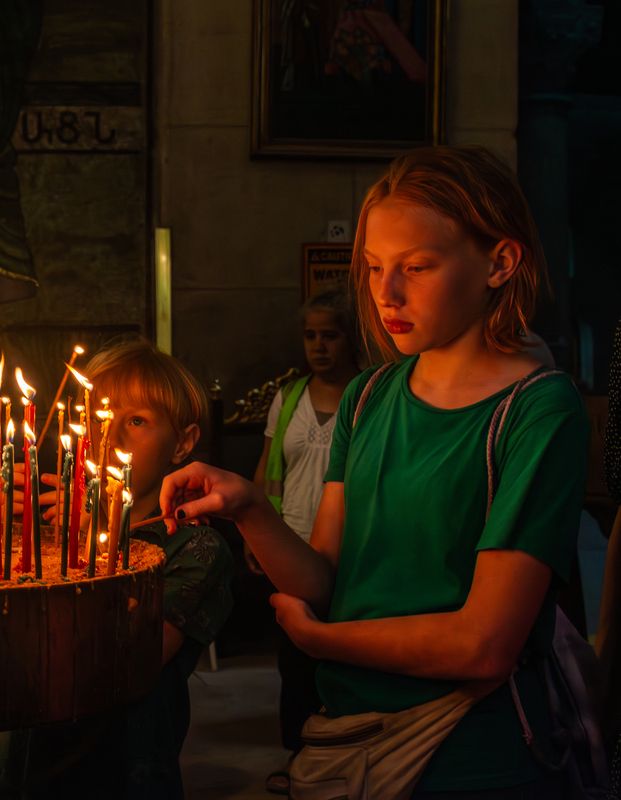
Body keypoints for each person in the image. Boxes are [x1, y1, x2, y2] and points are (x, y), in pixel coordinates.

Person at [160, 145, 588, 798]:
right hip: (347, 733)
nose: (386, 294)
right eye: (373, 267)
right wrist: (249, 507)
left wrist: (324, 642)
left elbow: (484, 645)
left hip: (472, 755)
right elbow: (325, 580)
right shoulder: (367, 397)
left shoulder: (536, 409)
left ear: (499, 263)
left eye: (416, 267)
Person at [7, 338, 234, 800]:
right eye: (97, 415)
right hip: (34, 762)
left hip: (126, 770)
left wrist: (94, 544)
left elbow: (131, 658)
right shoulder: (48, 528)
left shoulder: (194, 546)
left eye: (136, 421)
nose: (109, 435)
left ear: (183, 442)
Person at [249, 289, 359, 793]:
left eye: (329, 335)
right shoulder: (289, 397)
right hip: (292, 539)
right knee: (294, 658)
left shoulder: (369, 394)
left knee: (344, 653)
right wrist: (258, 529)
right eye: (311, 335)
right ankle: (298, 755)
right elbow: (269, 469)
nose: (319, 346)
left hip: (350, 547)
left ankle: (346, 754)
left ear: (349, 338)